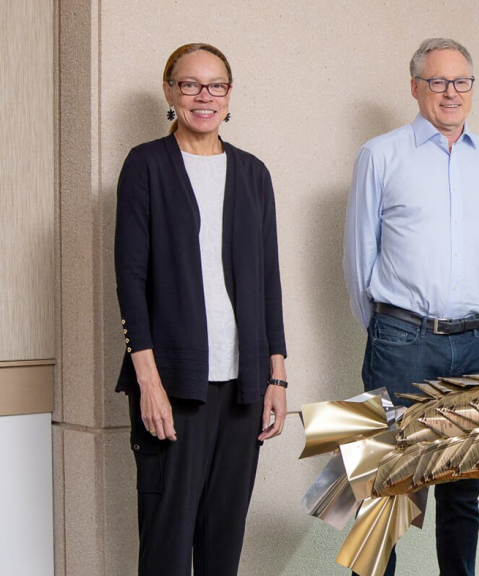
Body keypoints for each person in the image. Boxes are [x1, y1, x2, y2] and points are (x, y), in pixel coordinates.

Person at [114, 43, 288, 576]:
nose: (203, 96)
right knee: (166, 550)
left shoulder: (253, 174)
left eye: (215, 85)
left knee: (222, 547)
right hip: (173, 386)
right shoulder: (146, 165)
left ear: (230, 95)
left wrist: (276, 376)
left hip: (243, 389)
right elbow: (130, 278)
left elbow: (268, 280)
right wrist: (149, 382)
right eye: (190, 84)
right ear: (170, 92)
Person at [343, 37, 479, 576]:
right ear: (415, 87)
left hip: (478, 344)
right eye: (437, 81)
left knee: (463, 491)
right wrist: (389, 330)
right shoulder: (380, 154)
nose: (450, 92)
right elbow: (356, 257)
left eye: (461, 81)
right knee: (385, 482)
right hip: (401, 342)